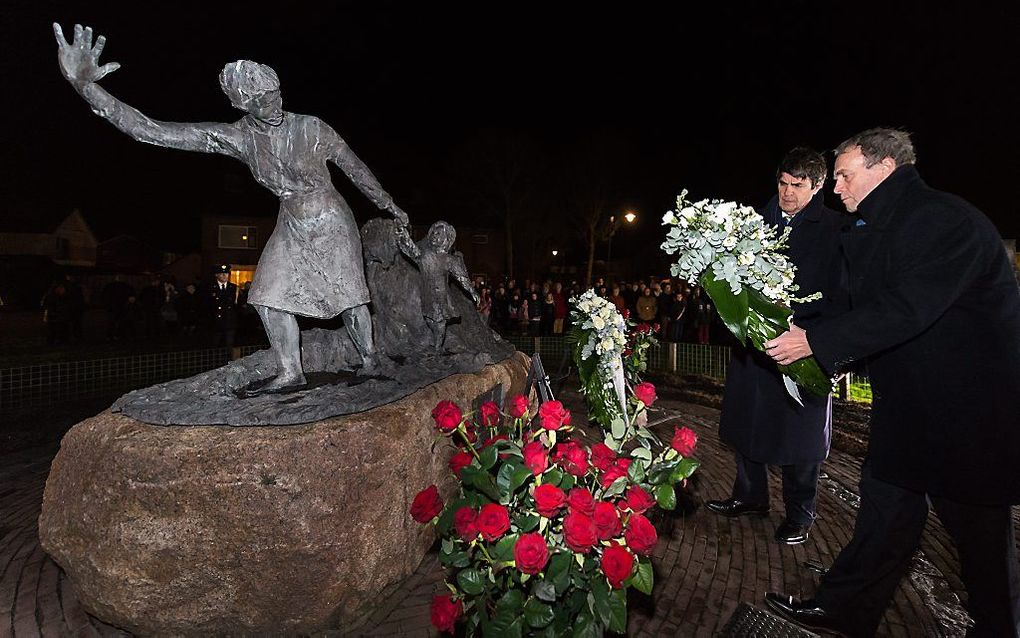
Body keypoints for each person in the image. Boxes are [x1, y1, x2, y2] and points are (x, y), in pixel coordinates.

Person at [54, 24, 409, 395]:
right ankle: (291, 371)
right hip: (292, 220)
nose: (275, 104)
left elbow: (356, 169)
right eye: (264, 100)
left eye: (276, 94)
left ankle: (369, 359)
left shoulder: (312, 128)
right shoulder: (239, 137)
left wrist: (390, 206)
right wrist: (87, 87)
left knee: (350, 294)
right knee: (267, 296)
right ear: (244, 104)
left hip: (331, 216)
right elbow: (152, 130)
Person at [764, 129, 1020, 637]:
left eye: (843, 174)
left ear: (885, 168)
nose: (835, 187)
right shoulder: (875, 226)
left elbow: (906, 309)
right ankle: (844, 608)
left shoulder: (943, 221)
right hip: (911, 409)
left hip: (967, 416)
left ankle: (1000, 628)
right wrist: (793, 326)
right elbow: (858, 305)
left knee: (980, 541)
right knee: (884, 520)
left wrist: (817, 342)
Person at [707, 148, 847, 545]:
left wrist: (812, 328)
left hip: (803, 346)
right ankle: (750, 497)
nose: (787, 193)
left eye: (797, 186)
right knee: (747, 424)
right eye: (782, 184)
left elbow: (841, 293)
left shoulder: (836, 229)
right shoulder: (749, 224)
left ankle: (800, 513)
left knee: (799, 437)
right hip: (752, 350)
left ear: (818, 185)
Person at [394, 222, 479, 352]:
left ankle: (437, 349)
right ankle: (436, 343)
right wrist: (402, 235)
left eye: (438, 234)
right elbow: (410, 250)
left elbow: (462, 278)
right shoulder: (425, 256)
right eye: (433, 233)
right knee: (429, 318)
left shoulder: (449, 260)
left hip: (441, 296)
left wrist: (473, 291)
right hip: (426, 294)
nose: (434, 236)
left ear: (446, 239)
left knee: (439, 321)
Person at [209, 264, 238, 350]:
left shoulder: (233, 287)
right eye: (221, 273)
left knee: (229, 345)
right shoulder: (210, 287)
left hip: (229, 320)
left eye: (226, 273)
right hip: (215, 321)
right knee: (214, 345)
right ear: (216, 275)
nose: (224, 275)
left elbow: (236, 304)